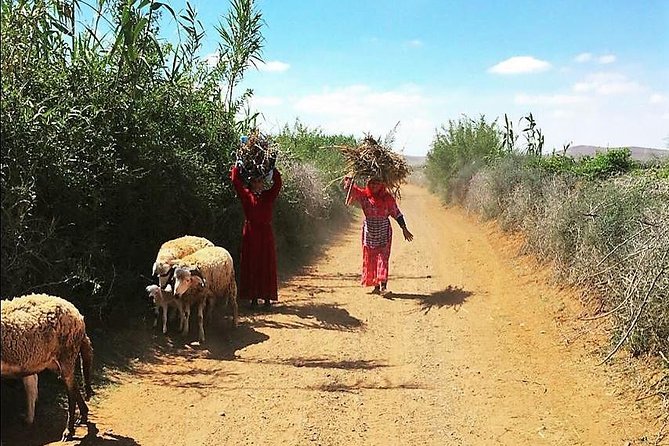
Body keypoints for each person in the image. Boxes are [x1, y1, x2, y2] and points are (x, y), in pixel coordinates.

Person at [343, 175, 414, 295]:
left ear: (382, 185)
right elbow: (350, 189)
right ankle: (375, 285)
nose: (374, 185)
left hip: (383, 231)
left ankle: (383, 286)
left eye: (377, 183)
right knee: (371, 258)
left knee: (383, 258)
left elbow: (397, 214)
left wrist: (404, 228)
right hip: (369, 232)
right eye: (372, 183)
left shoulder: (387, 198)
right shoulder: (364, 196)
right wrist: (349, 178)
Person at [230, 164, 282, 307]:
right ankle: (253, 298)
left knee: (266, 262)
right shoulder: (247, 195)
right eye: (255, 181)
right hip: (251, 233)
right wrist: (236, 166)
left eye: (260, 181)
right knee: (251, 262)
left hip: (266, 233)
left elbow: (278, 184)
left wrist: (272, 168)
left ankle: (267, 298)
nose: (258, 184)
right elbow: (235, 181)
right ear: (250, 183)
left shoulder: (268, 196)